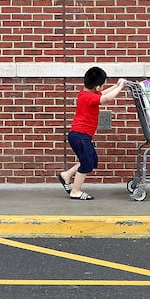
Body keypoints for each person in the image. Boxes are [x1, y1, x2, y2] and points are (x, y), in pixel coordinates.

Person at [56, 66, 128, 200]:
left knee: (91, 160)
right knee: (87, 164)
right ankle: (75, 191)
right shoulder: (89, 98)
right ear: (97, 87)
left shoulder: (86, 94)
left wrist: (116, 85)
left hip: (80, 136)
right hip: (80, 136)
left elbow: (104, 93)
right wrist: (121, 87)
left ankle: (66, 175)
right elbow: (106, 98)